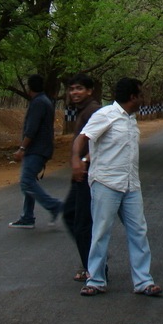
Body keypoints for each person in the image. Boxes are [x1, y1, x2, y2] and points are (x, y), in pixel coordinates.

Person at [71, 77, 162, 297]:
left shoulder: (131, 119)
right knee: (101, 232)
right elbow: (82, 139)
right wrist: (77, 161)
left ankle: (143, 281)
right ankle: (95, 280)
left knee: (139, 232)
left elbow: (104, 146)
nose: (143, 98)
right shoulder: (105, 115)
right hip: (106, 183)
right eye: (141, 94)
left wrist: (92, 156)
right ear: (132, 96)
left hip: (131, 185)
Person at [8, 74, 62, 229]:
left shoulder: (38, 103)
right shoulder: (45, 101)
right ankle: (27, 217)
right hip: (42, 148)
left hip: (36, 149)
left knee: (26, 181)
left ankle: (53, 206)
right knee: (29, 180)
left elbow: (32, 129)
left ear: (29, 88)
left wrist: (22, 148)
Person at [62, 73, 101, 282]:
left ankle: (94, 267)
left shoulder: (93, 111)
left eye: (78, 88)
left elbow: (102, 141)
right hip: (80, 175)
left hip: (88, 175)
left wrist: (83, 161)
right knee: (71, 215)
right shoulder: (84, 111)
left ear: (89, 90)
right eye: (71, 89)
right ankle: (93, 261)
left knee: (82, 222)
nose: (74, 92)